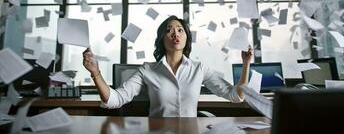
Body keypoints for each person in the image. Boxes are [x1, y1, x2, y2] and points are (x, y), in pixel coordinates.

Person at [82, 15, 253, 117]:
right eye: (169, 30)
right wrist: (96, 74)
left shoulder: (199, 68)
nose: (175, 34)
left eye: (180, 30)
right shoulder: (148, 69)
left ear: (186, 37)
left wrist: (246, 64)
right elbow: (114, 99)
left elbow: (236, 96)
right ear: (162, 38)